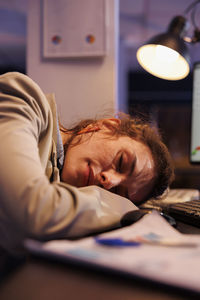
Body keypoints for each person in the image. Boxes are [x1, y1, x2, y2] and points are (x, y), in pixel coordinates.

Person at [0, 72, 174, 254]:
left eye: (118, 193)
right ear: (107, 127)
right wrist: (124, 207)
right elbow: (29, 215)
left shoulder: (59, 177)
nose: (109, 181)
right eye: (121, 162)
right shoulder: (24, 98)